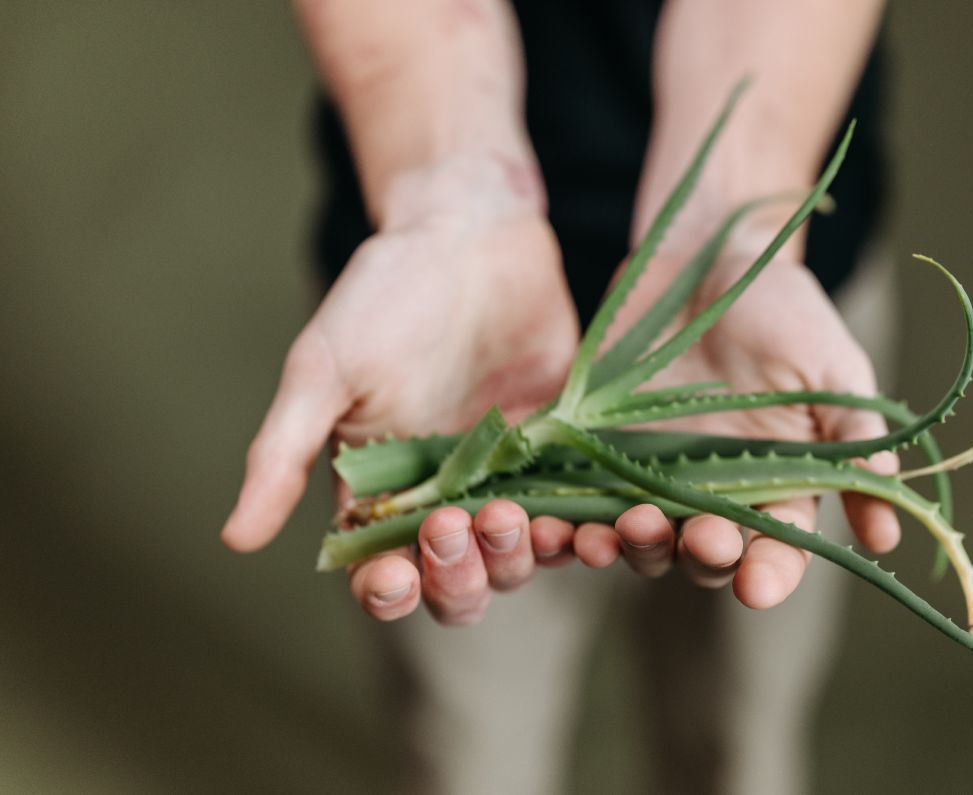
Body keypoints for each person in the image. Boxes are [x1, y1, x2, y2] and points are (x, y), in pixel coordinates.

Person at [222, 2, 898, 792]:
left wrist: (737, 218)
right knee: (464, 746)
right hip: (441, 328)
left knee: (737, 739)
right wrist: (446, 191)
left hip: (758, 316)